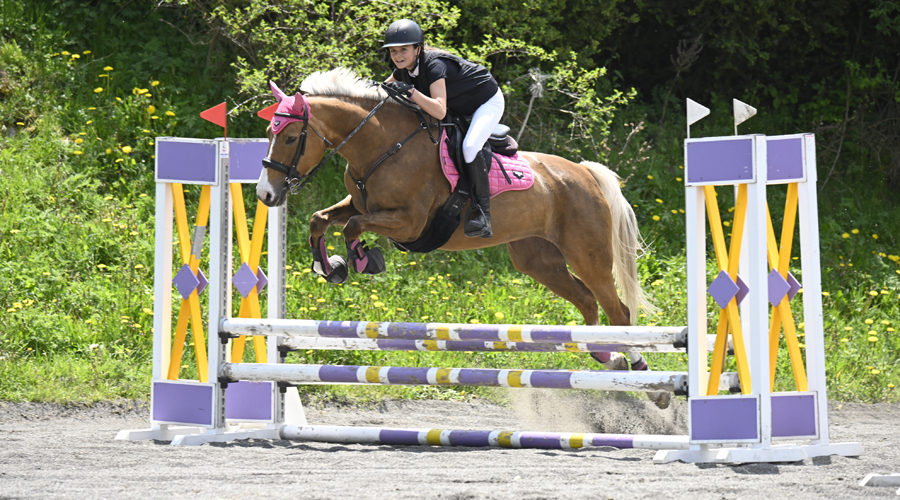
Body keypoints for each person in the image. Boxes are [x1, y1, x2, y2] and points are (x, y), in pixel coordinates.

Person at [382, 19, 504, 239]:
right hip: (459, 105)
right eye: (393, 51)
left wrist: (412, 93)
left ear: (417, 49)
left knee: (469, 147)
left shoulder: (434, 65)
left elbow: (439, 111)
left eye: (403, 49)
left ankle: (482, 214)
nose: (398, 56)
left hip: (486, 101)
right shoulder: (403, 70)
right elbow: (382, 90)